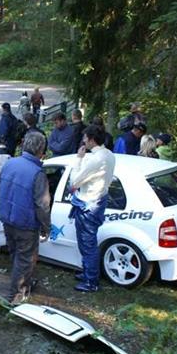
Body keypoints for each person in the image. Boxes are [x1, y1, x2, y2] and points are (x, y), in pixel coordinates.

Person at [0, 132, 51, 304]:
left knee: (16, 255)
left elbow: (0, 190)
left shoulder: (10, 163)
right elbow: (42, 205)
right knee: (25, 260)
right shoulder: (38, 173)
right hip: (26, 224)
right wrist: (46, 226)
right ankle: (16, 297)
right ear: (41, 151)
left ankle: (24, 284)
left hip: (7, 219)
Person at [69, 125, 115, 292]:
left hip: (88, 203)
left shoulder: (94, 159)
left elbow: (74, 182)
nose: (83, 141)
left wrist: (79, 158)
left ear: (91, 139)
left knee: (88, 243)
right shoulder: (109, 155)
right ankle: (88, 272)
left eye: (85, 138)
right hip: (98, 199)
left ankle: (91, 281)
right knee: (86, 241)